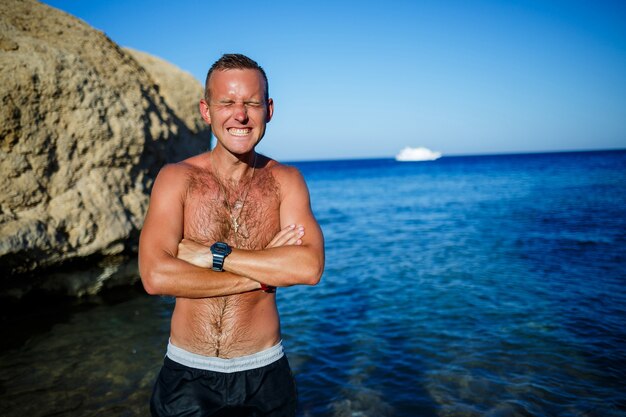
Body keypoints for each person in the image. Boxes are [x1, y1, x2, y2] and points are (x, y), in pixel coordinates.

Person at [139, 53, 325, 416]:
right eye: (226, 102)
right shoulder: (176, 179)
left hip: (264, 377)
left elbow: (309, 267)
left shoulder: (286, 182)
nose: (240, 115)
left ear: (268, 109)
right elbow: (155, 276)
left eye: (252, 103)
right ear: (206, 110)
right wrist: (262, 275)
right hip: (186, 375)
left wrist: (215, 255)